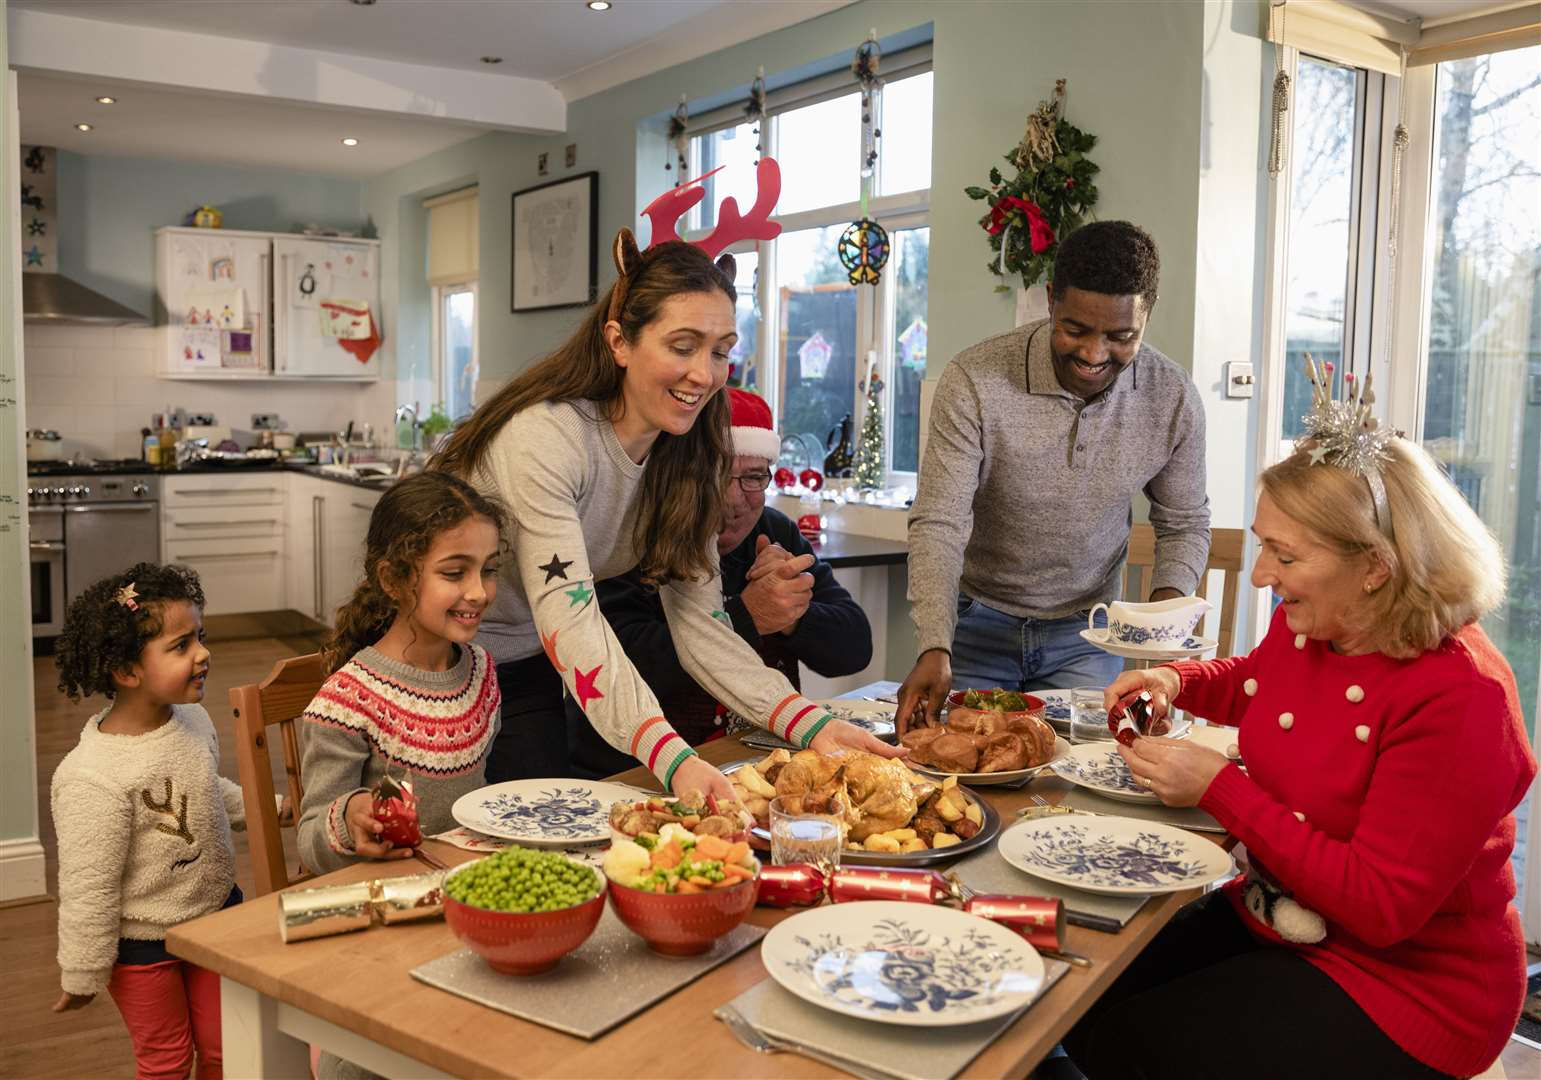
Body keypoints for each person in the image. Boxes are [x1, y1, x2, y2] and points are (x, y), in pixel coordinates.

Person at [1063, 422, 1535, 1079]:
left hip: (1410, 987)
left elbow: (1379, 908)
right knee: (1079, 997)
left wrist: (1217, 789)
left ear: (1374, 566)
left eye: (1284, 557)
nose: (1261, 576)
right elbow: (1257, 683)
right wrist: (1177, 680)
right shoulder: (1325, 624)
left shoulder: (1462, 699)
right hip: (1276, 918)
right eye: (1263, 549)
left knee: (1131, 1044)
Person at [432, 220, 898, 799]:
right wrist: (670, 755)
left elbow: (703, 627)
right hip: (431, 656)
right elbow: (572, 618)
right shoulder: (547, 439)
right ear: (619, 342)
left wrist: (814, 727)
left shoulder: (688, 454)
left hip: (523, 658)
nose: (704, 375)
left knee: (528, 836)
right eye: (683, 347)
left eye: (721, 352)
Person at [898, 220, 1210, 731]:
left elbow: (1183, 522)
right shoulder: (975, 380)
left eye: (1121, 336)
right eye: (1076, 330)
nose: (1093, 354)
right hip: (974, 626)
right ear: (1050, 301)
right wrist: (935, 642)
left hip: (1089, 635)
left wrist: (1160, 623)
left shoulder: (1171, 397)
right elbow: (939, 521)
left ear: (1147, 317)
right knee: (966, 773)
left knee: (1082, 785)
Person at [566, 387, 874, 778]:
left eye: (753, 477)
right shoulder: (628, 535)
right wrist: (750, 616)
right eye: (715, 472)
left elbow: (855, 648)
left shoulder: (774, 531)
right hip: (637, 771)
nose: (733, 499)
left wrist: (792, 615)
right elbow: (622, 663)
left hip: (759, 764)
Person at [50, 562, 241, 1080]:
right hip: (143, 947)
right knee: (167, 1063)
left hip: (216, 917)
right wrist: (83, 970)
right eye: (181, 646)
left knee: (231, 1049)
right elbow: (88, 886)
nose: (202, 654)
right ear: (127, 672)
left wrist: (265, 805)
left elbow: (203, 791)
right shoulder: (92, 777)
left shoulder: (193, 721)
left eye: (199, 636)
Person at [297, 472, 504, 874]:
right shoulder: (346, 701)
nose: (479, 592)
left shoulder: (480, 670)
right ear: (393, 579)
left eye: (489, 569)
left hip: (467, 886)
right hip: (387, 904)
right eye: (454, 572)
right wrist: (349, 817)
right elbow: (309, 843)